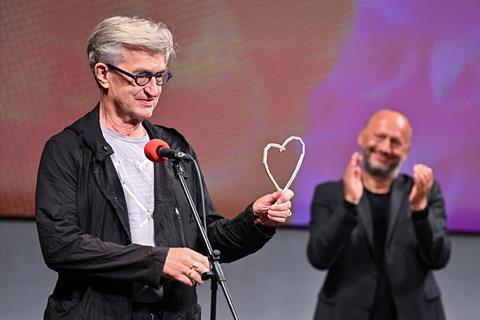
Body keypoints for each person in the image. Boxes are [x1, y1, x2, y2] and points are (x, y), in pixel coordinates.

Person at [35, 16, 293, 320]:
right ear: (103, 74)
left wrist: (255, 221)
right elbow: (62, 245)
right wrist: (158, 261)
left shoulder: (173, 148)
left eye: (160, 77)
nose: (153, 90)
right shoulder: (68, 149)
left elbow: (207, 242)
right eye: (141, 76)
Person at [307, 109, 451, 320]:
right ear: (362, 137)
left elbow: (439, 258)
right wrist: (348, 205)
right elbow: (319, 258)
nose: (385, 148)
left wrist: (420, 211)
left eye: (396, 142)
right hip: (344, 312)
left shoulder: (423, 191)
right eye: (379, 137)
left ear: (407, 151)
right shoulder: (328, 193)